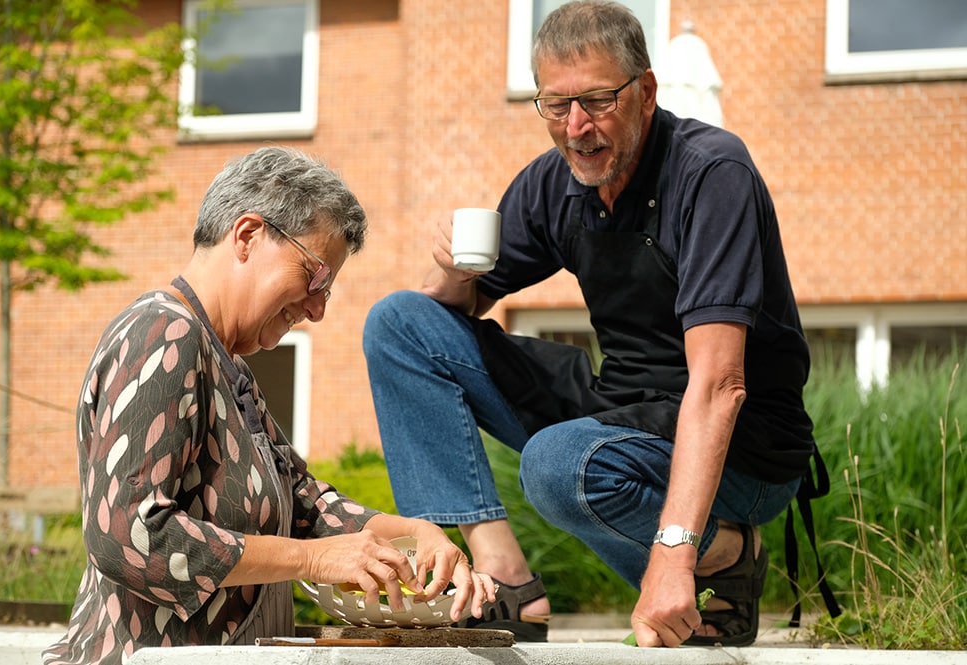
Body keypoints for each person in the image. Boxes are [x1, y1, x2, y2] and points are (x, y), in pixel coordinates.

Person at [362, 0, 820, 648]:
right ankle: (505, 577)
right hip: (624, 412)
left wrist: (673, 552)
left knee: (556, 463)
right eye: (556, 104)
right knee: (398, 323)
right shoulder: (555, 185)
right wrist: (451, 270)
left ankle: (724, 561)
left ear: (647, 91)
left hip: (745, 450)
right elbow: (447, 317)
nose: (577, 127)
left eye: (599, 100)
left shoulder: (712, 174)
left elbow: (720, 384)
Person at [43, 146, 494, 665]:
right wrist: (310, 561)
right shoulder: (163, 333)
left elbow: (305, 506)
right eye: (317, 275)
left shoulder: (227, 364)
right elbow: (126, 534)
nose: (318, 308)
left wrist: (412, 534)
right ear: (248, 236)